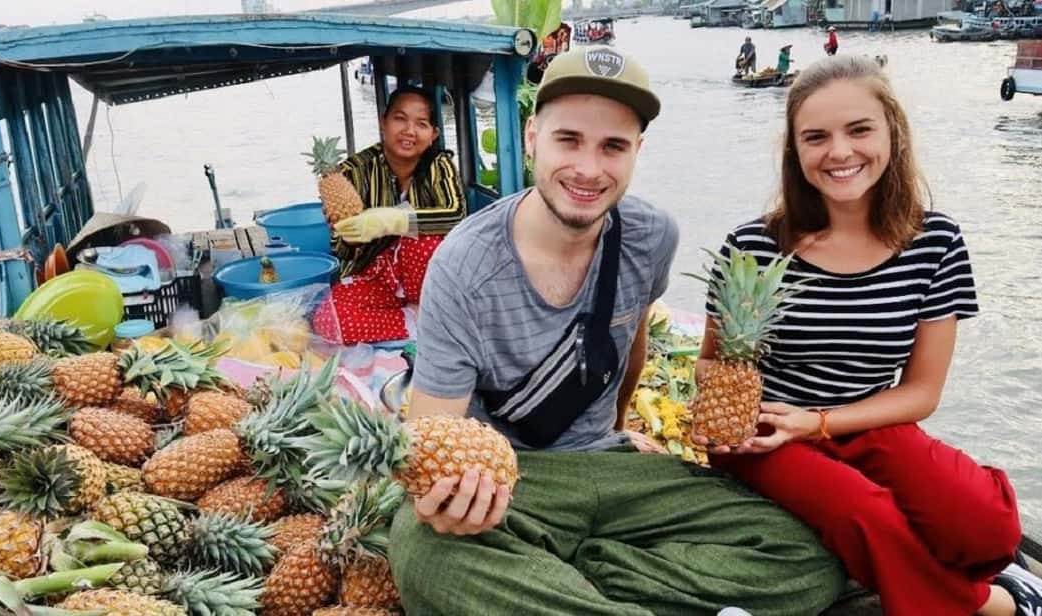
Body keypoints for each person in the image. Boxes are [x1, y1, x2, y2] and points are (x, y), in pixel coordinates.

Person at [387, 45, 846, 616]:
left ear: (637, 153)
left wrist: (622, 428)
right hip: (514, 480)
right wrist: (442, 504)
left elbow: (632, 346)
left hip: (615, 467)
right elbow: (431, 435)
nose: (588, 168)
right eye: (568, 140)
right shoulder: (462, 266)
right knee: (422, 551)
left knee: (806, 559)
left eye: (613, 147)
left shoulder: (652, 236)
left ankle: (574, 574)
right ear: (532, 136)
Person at [696, 55, 1042, 616]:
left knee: (988, 526)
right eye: (816, 137)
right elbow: (709, 363)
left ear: (892, 134)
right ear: (795, 150)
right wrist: (749, 416)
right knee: (865, 512)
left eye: (859, 130)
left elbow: (922, 392)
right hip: (768, 429)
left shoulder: (936, 241)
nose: (839, 152)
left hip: (869, 421)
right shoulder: (753, 246)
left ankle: (988, 573)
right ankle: (992, 605)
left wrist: (825, 424)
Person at [311, 85, 466, 345]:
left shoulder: (439, 166)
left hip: (431, 280)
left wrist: (392, 221)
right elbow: (342, 251)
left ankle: (429, 311)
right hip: (378, 275)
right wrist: (351, 234)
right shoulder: (352, 172)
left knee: (422, 238)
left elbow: (457, 214)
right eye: (400, 119)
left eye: (421, 123)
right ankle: (416, 321)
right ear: (383, 122)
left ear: (433, 134)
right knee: (329, 319)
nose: (409, 131)